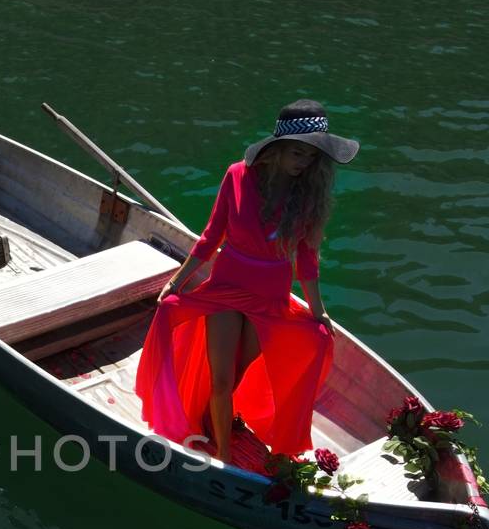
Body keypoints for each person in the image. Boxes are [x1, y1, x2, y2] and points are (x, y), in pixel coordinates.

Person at [135, 99, 359, 463]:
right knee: (221, 380)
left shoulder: (309, 196)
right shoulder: (237, 175)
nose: (304, 163)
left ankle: (216, 423)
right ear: (276, 150)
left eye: (311, 157)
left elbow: (306, 259)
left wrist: (319, 312)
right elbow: (211, 236)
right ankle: (223, 454)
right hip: (225, 289)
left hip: (269, 297)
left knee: (237, 374)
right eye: (298, 153)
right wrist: (177, 283)